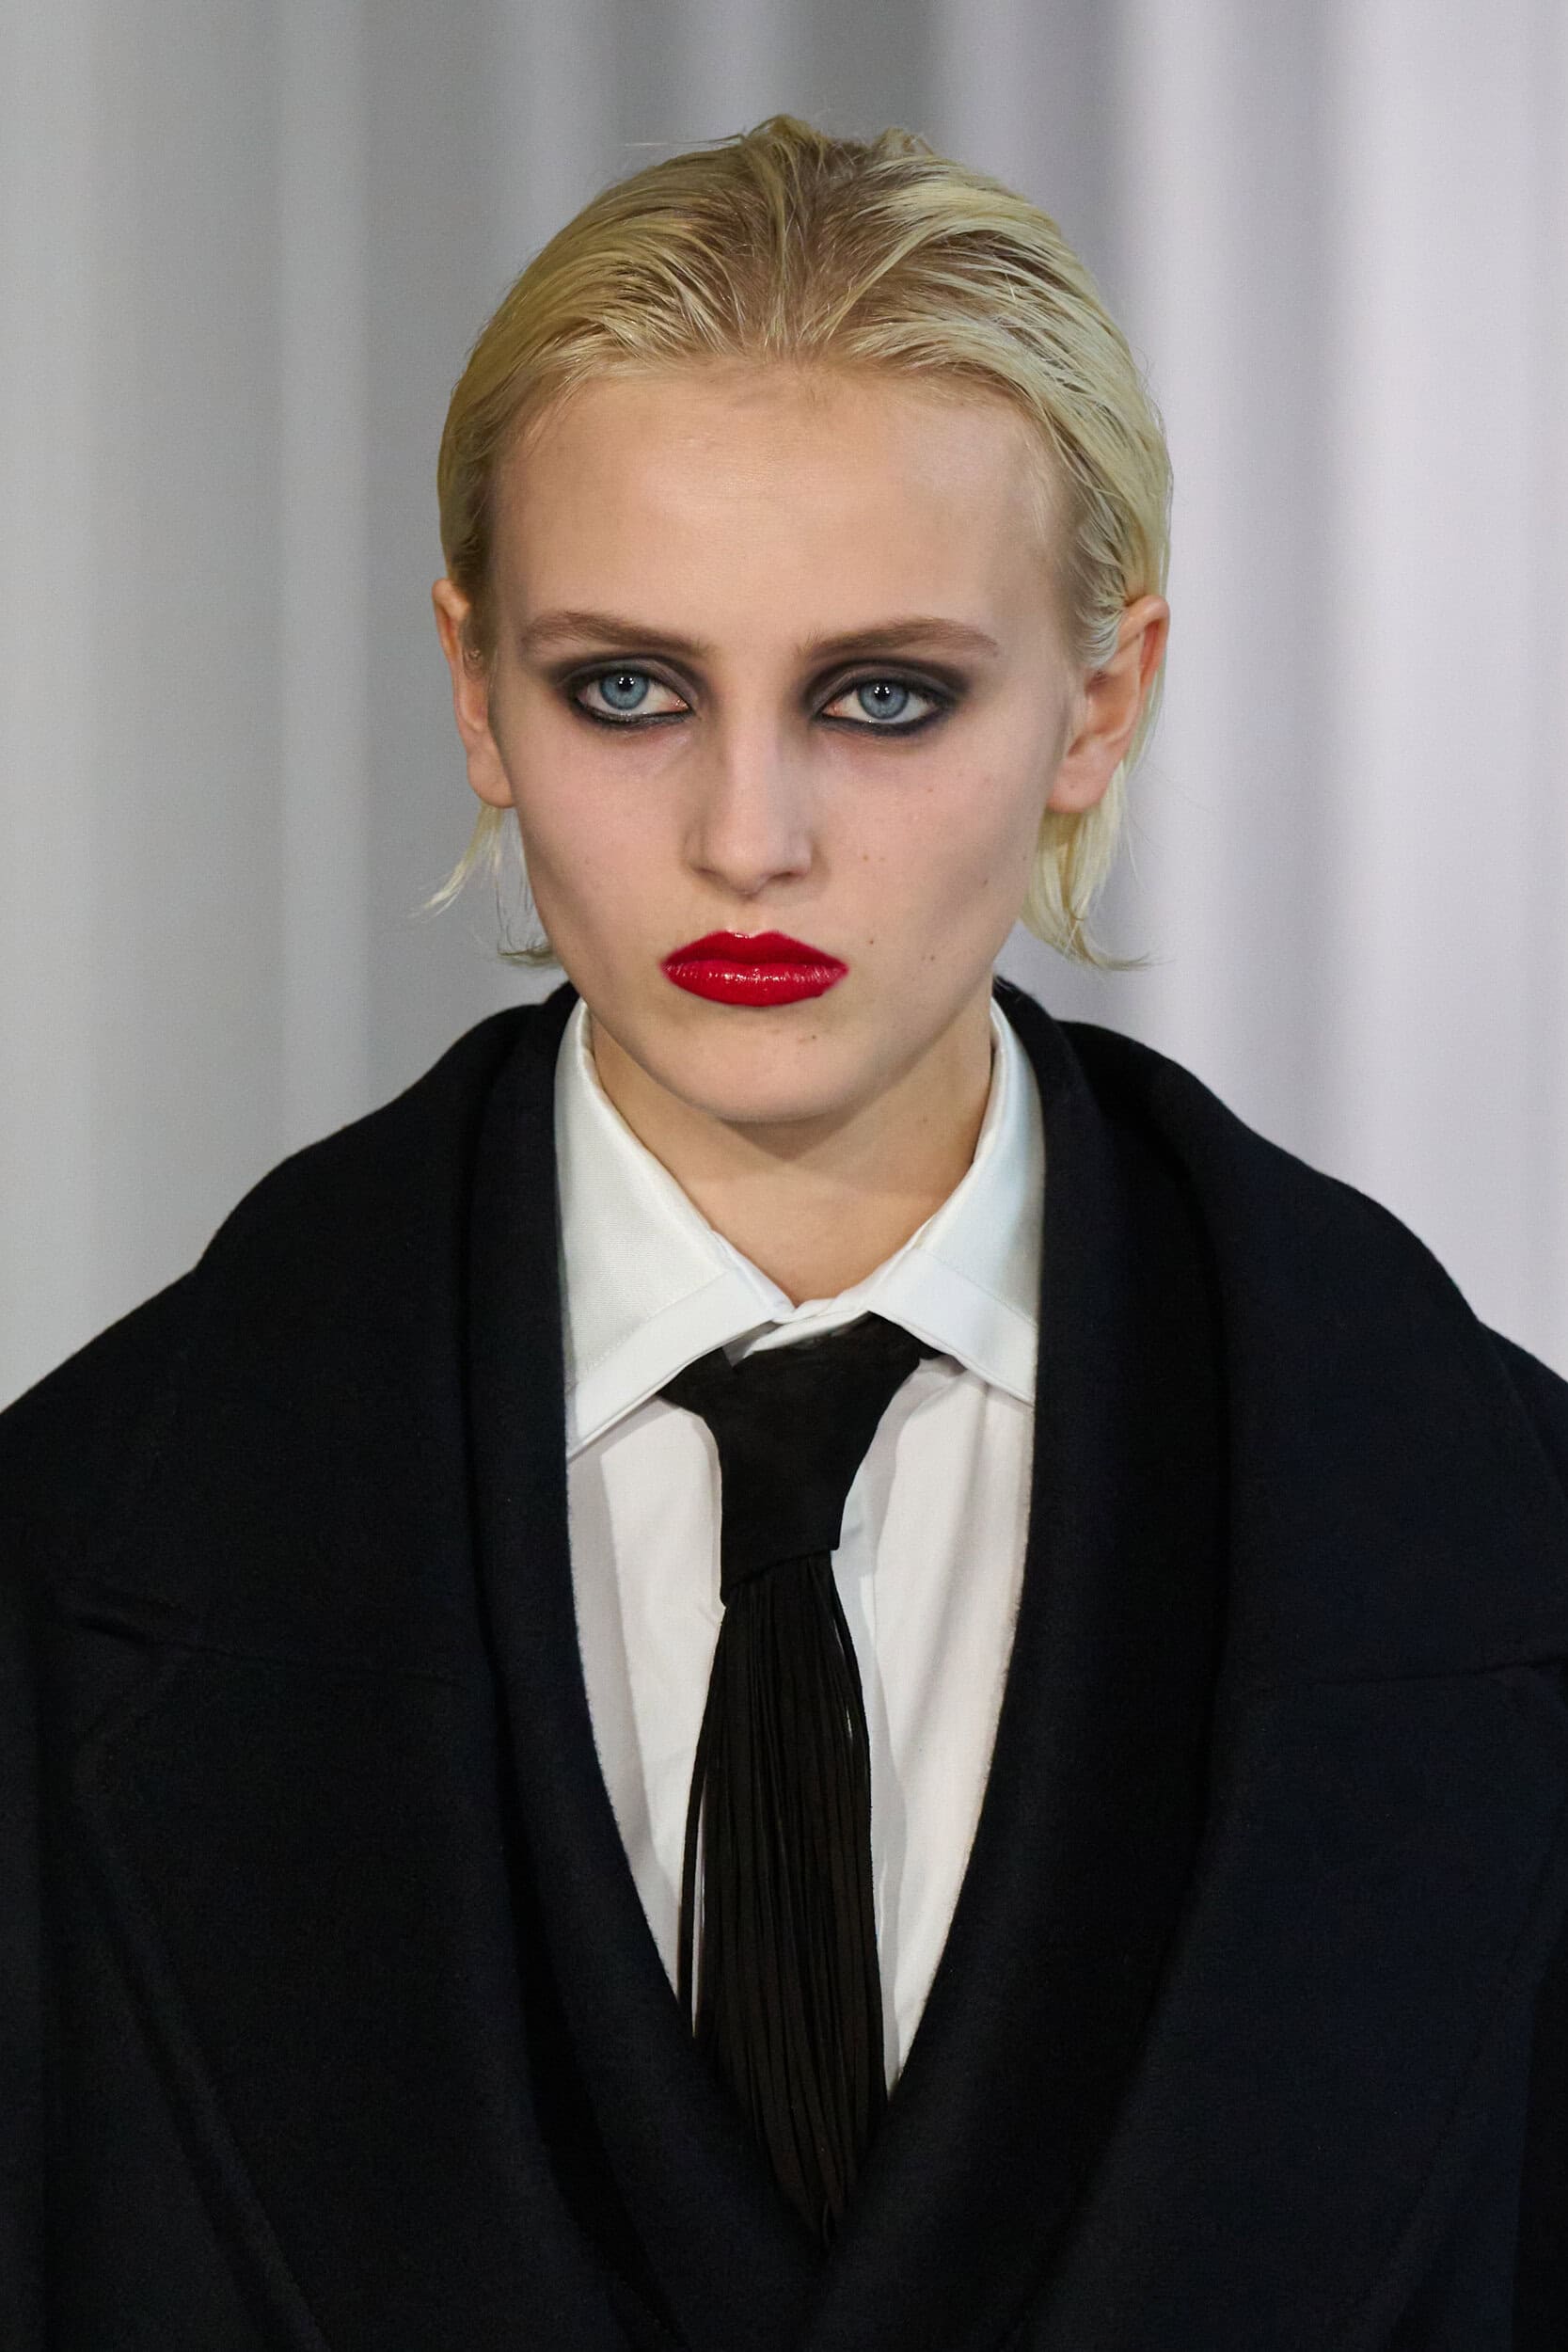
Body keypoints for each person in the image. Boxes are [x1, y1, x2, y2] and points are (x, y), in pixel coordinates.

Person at [2, 114, 1566, 2352]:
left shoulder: (1497, 1543)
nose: (751, 836)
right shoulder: (66, 1554)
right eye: (626, 688)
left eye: (885, 693)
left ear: (1101, 699)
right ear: (473, 687)